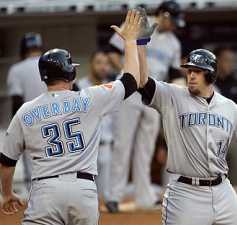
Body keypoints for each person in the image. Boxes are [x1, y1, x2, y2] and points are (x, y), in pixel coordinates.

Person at [0, 9, 143, 224]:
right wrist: (130, 42)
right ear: (71, 74)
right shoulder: (91, 97)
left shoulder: (25, 111)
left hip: (44, 191)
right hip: (82, 189)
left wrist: (7, 194)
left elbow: (6, 162)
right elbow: (131, 81)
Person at [137, 48, 237, 224]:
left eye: (197, 71)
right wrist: (140, 46)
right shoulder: (173, 95)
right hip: (186, 193)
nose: (191, 76)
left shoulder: (228, 106)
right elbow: (142, 82)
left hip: (222, 190)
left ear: (211, 74)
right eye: (189, 71)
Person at [105, 0, 186, 212]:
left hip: (152, 93)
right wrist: (127, 72)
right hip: (129, 91)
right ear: (162, 13)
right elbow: (111, 51)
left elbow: (176, 75)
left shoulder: (173, 44)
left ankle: (144, 196)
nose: (175, 26)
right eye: (173, 20)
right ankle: (114, 196)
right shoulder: (137, 23)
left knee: (146, 148)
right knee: (123, 144)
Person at [6, 32, 47, 192]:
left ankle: (38, 209)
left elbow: (16, 101)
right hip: (57, 122)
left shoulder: (17, 69)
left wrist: (16, 130)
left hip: (31, 124)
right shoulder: (51, 64)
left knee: (33, 173)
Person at [76, 50, 114, 196]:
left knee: (104, 193)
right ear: (90, 65)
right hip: (85, 148)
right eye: (99, 62)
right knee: (84, 193)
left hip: (106, 145)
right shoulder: (79, 87)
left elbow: (115, 118)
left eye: (106, 63)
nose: (103, 67)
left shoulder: (112, 88)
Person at [213, 45, 237, 186]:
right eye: (227, 60)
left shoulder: (235, 83)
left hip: (230, 135)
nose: (230, 64)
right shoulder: (209, 81)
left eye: (232, 60)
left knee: (234, 151)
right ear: (217, 61)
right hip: (210, 132)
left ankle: (233, 196)